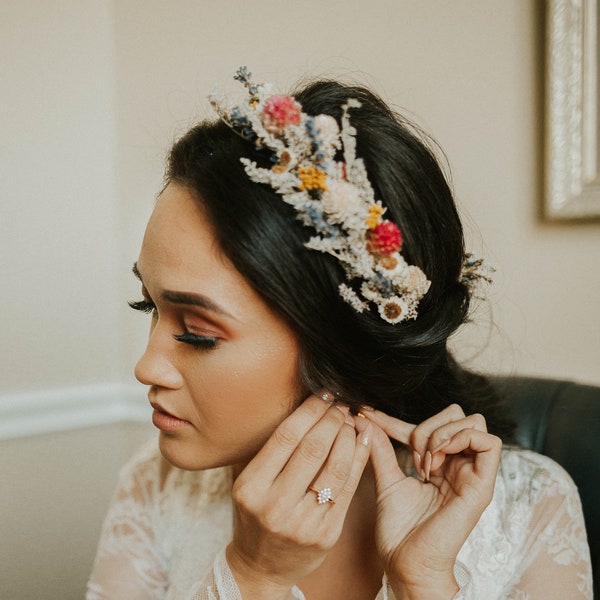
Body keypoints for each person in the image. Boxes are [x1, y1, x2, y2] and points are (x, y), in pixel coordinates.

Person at [87, 67, 592, 599]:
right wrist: (251, 576)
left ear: (343, 348)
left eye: (196, 333)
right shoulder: (157, 484)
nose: (146, 366)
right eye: (148, 304)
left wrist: (423, 583)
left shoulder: (531, 507)